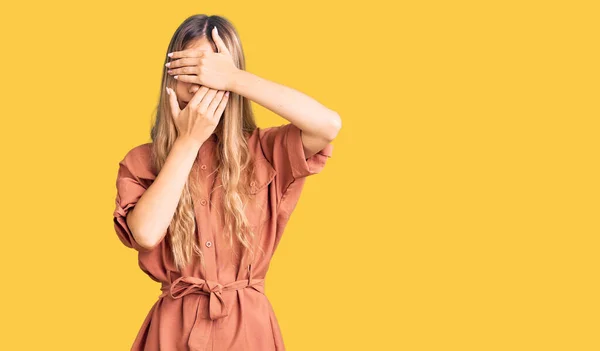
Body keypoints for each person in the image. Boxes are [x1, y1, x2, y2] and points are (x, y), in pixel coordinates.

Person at [112, 14, 341, 351]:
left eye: (209, 74)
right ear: (169, 79)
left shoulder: (265, 150)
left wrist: (233, 77)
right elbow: (145, 234)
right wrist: (188, 141)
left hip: (248, 329)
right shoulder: (140, 162)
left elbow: (327, 125)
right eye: (189, 72)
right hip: (173, 330)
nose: (198, 86)